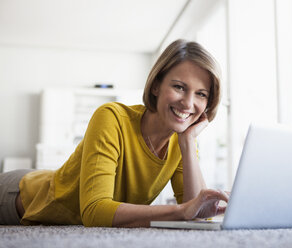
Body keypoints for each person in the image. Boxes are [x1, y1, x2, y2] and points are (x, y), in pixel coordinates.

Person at [0, 39, 229, 227]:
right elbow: (94, 211)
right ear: (157, 85)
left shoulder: (183, 141)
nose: (188, 103)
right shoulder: (111, 118)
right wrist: (180, 211)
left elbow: (196, 215)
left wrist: (188, 142)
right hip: (18, 195)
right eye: (179, 86)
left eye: (201, 94)